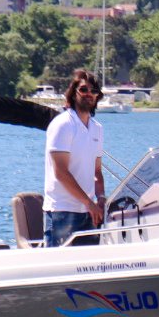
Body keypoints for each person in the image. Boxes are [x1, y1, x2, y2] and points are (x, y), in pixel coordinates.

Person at [43, 69, 106, 247]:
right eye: (84, 89)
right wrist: (88, 202)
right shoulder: (63, 124)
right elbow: (60, 173)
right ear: (73, 93)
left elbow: (97, 171)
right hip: (62, 211)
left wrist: (100, 197)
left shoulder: (97, 129)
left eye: (94, 91)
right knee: (59, 268)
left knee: (90, 268)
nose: (89, 94)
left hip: (88, 212)